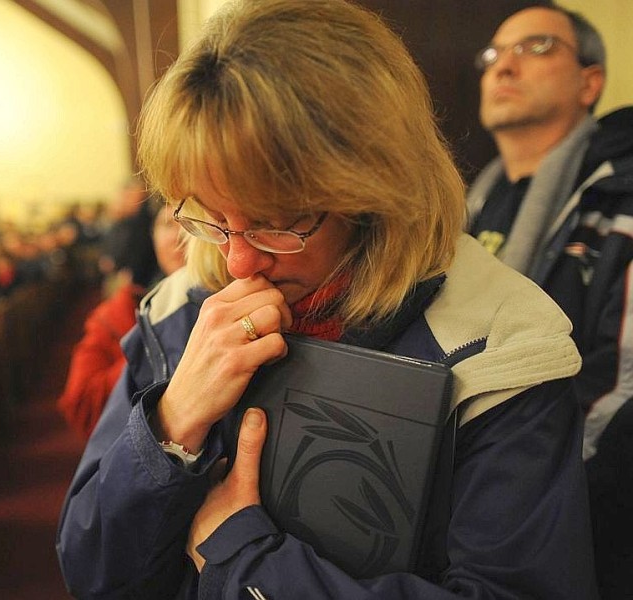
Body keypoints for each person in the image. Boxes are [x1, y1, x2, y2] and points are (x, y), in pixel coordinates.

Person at [56, 1, 597, 598]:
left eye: (275, 222)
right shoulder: (179, 306)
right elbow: (90, 570)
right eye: (210, 217)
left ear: (375, 193)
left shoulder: (498, 345)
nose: (237, 262)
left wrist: (246, 562)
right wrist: (171, 423)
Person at [467, 6, 633, 597]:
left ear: (589, 82)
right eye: (493, 54)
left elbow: (621, 392)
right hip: (476, 500)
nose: (503, 66)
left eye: (536, 47)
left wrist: (530, 502)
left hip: (573, 526)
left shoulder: (621, 196)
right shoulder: (474, 201)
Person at [57, 205, 186, 440]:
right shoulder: (122, 309)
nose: (180, 235)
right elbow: (81, 404)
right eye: (168, 224)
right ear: (152, 235)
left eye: (195, 224)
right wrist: (156, 347)